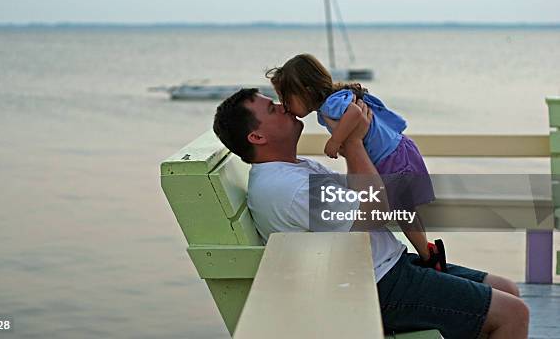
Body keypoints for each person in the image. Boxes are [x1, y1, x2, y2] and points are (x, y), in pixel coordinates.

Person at [212, 88, 529, 339]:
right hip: (377, 286)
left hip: (385, 267)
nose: (283, 106)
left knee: (508, 290)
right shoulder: (287, 187)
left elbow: (363, 200)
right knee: (513, 315)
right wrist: (353, 143)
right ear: (257, 137)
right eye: (272, 109)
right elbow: (376, 210)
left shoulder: (290, 170)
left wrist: (364, 141)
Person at [266, 53, 443, 269]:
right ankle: (429, 253)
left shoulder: (331, 104)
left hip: (391, 157)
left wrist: (335, 140)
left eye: (286, 98)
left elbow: (356, 114)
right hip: (394, 153)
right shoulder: (332, 103)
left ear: (306, 91)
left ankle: (429, 256)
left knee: (402, 212)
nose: (284, 106)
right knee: (405, 212)